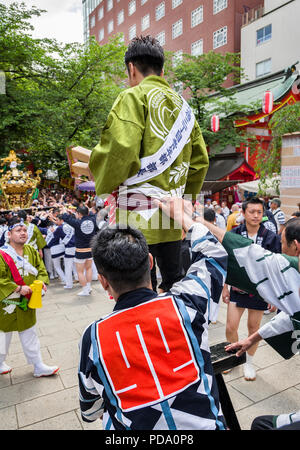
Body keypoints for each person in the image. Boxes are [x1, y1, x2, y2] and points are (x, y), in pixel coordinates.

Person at [78, 198, 228, 430]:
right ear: (150, 262)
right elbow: (213, 253)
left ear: (103, 281)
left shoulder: (93, 338)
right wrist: (184, 217)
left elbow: (90, 410)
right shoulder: (187, 303)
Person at [88, 35, 209, 293]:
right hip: (171, 220)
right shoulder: (185, 109)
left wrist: (103, 177)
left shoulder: (132, 97)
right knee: (176, 288)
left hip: (135, 220)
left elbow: (119, 150)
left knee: (138, 293)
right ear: (162, 69)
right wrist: (182, 201)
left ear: (131, 68)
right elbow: (200, 163)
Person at [221, 198, 281, 381]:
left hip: (260, 291)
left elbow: (274, 267)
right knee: (231, 326)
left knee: (253, 328)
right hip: (237, 289)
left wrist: (273, 296)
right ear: (244, 213)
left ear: (263, 214)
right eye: (252, 211)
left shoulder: (271, 237)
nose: (256, 215)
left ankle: (249, 363)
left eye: (259, 212)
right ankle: (233, 358)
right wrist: (225, 287)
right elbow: (225, 261)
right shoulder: (234, 233)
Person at [0, 218, 59, 377]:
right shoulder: (2, 254)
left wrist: (41, 283)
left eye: (24, 230)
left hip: (27, 300)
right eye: (18, 230)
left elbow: (41, 269)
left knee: (30, 333)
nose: (23, 233)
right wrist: (18, 288)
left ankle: (38, 365)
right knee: (2, 336)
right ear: (9, 233)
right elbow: (1, 279)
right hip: (7, 302)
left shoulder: (31, 250)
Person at [61, 206, 98, 296]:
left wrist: (65, 211)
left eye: (77, 213)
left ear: (79, 214)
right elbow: (93, 214)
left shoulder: (77, 222)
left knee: (80, 271)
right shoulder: (93, 220)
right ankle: (88, 287)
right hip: (90, 249)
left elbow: (65, 217)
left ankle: (85, 290)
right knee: (88, 268)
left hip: (80, 250)